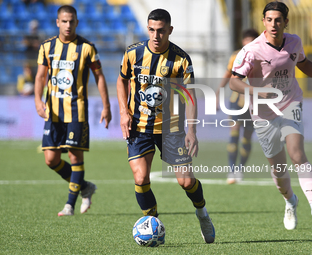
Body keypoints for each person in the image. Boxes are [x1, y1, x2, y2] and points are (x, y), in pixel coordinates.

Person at [117, 9, 215, 243]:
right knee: (141, 179)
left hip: (171, 129)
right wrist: (123, 112)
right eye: (151, 30)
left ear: (170, 30)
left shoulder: (181, 60)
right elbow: (121, 80)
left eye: (161, 31)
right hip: (140, 127)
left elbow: (190, 97)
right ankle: (151, 224)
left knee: (187, 182)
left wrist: (191, 130)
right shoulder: (133, 54)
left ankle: (202, 212)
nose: (156, 35)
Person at [230, 1, 312, 230]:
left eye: (278, 20)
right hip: (263, 114)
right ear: (263, 21)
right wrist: (256, 91)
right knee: (279, 170)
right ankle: (290, 201)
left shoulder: (294, 42)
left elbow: (303, 65)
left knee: (297, 154)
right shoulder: (252, 50)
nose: (274, 24)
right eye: (269, 19)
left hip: (290, 103)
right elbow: (234, 82)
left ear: (286, 22)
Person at [34, 5, 111, 216]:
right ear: (57, 22)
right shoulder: (47, 47)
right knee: (51, 159)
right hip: (54, 113)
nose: (68, 25)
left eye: (72, 21)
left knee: (76, 157)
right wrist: (38, 101)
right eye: (64, 21)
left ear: (77, 22)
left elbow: (99, 77)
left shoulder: (86, 47)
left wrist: (106, 106)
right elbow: (40, 76)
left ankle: (69, 205)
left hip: (77, 112)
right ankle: (85, 187)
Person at [216, 29, 259, 184]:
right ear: (242, 42)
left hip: (254, 103)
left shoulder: (262, 56)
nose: (248, 43)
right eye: (246, 40)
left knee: (247, 138)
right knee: (233, 135)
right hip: (236, 101)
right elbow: (228, 75)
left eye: (252, 40)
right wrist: (218, 94)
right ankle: (231, 170)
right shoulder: (236, 56)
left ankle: (240, 168)